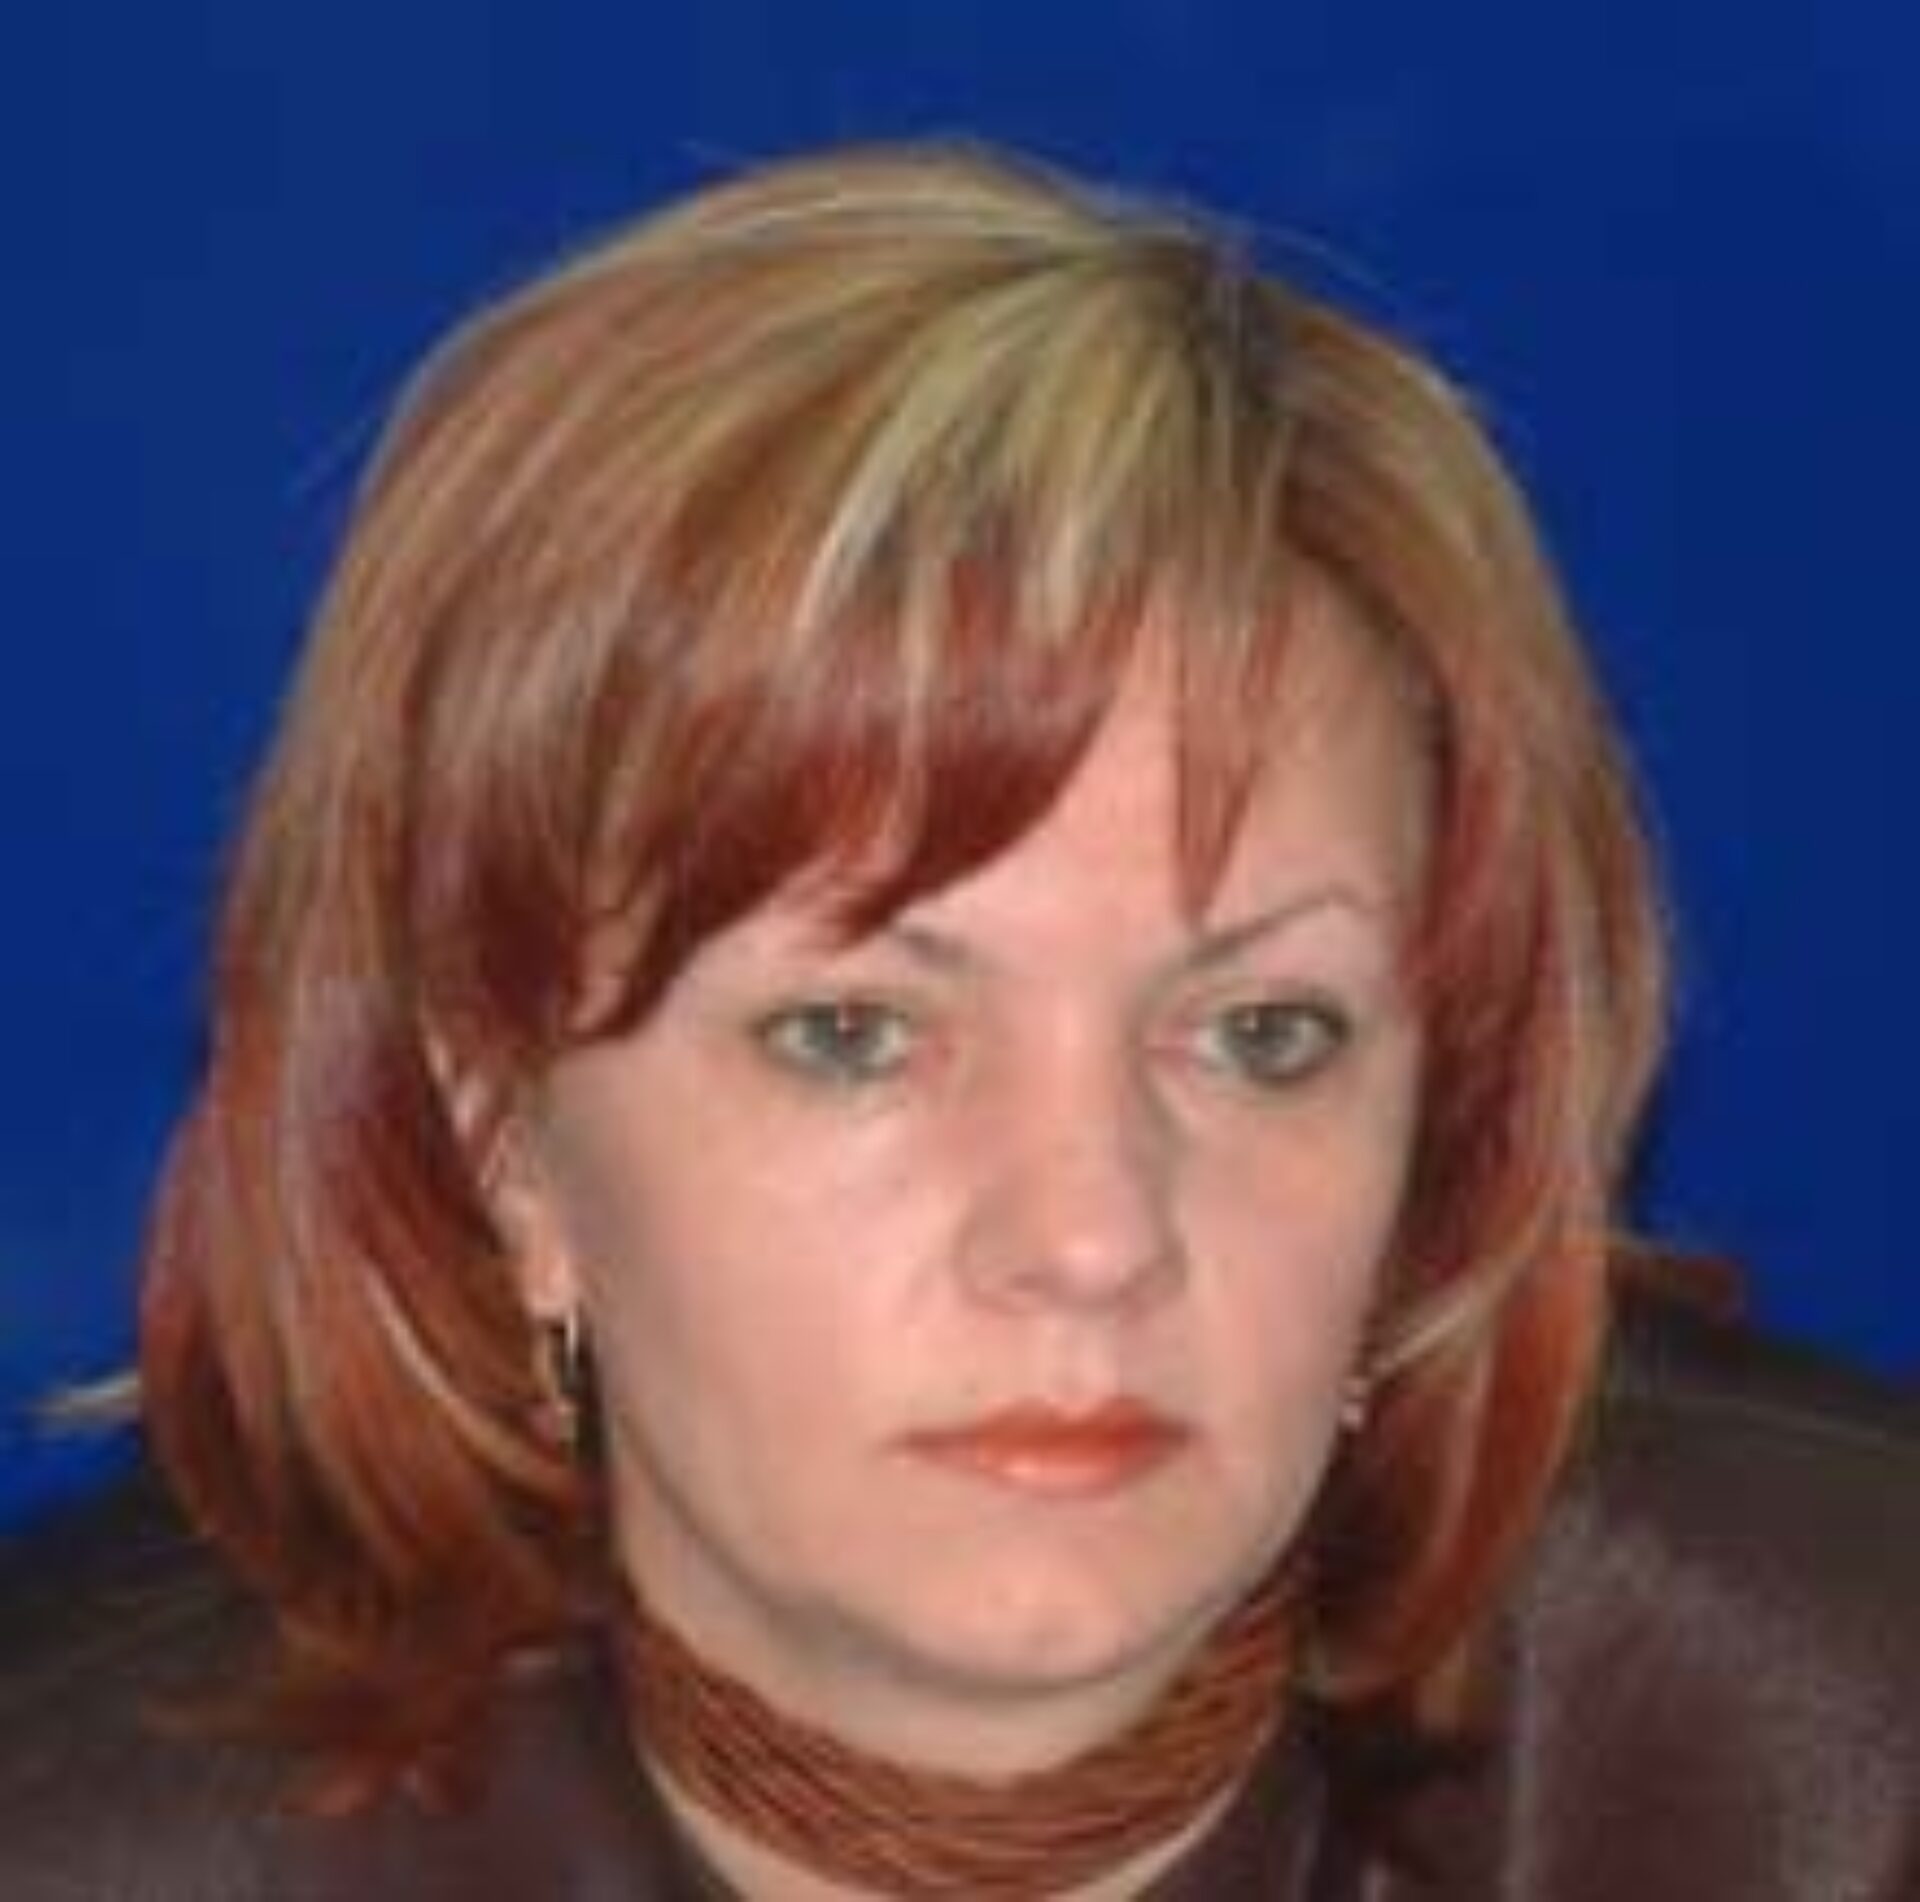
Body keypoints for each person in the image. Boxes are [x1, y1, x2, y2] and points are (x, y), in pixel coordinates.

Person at [2, 140, 1916, 1901]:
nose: (1089, 1237)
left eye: (1264, 1033)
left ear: (1438, 1131)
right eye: (852, 1032)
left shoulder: (1853, 1748)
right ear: (506, 1138)